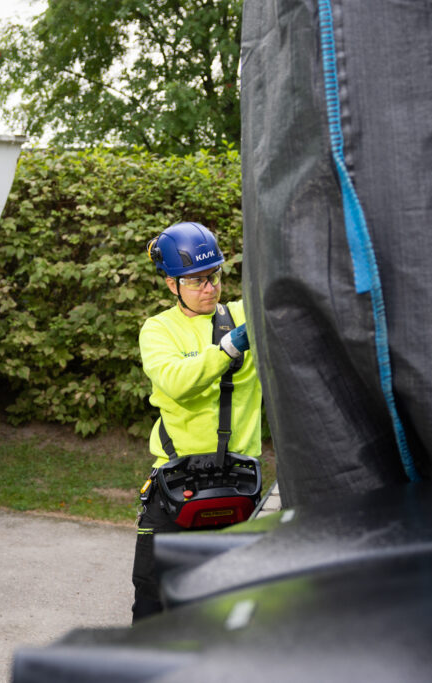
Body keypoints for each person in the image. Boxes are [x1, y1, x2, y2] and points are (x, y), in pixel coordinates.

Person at [132, 221, 263, 622]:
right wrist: (228, 348)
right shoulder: (158, 330)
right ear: (171, 284)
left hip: (237, 483)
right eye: (196, 281)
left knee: (232, 608)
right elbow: (176, 382)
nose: (209, 288)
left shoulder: (242, 314)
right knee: (153, 603)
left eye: (214, 276)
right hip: (175, 486)